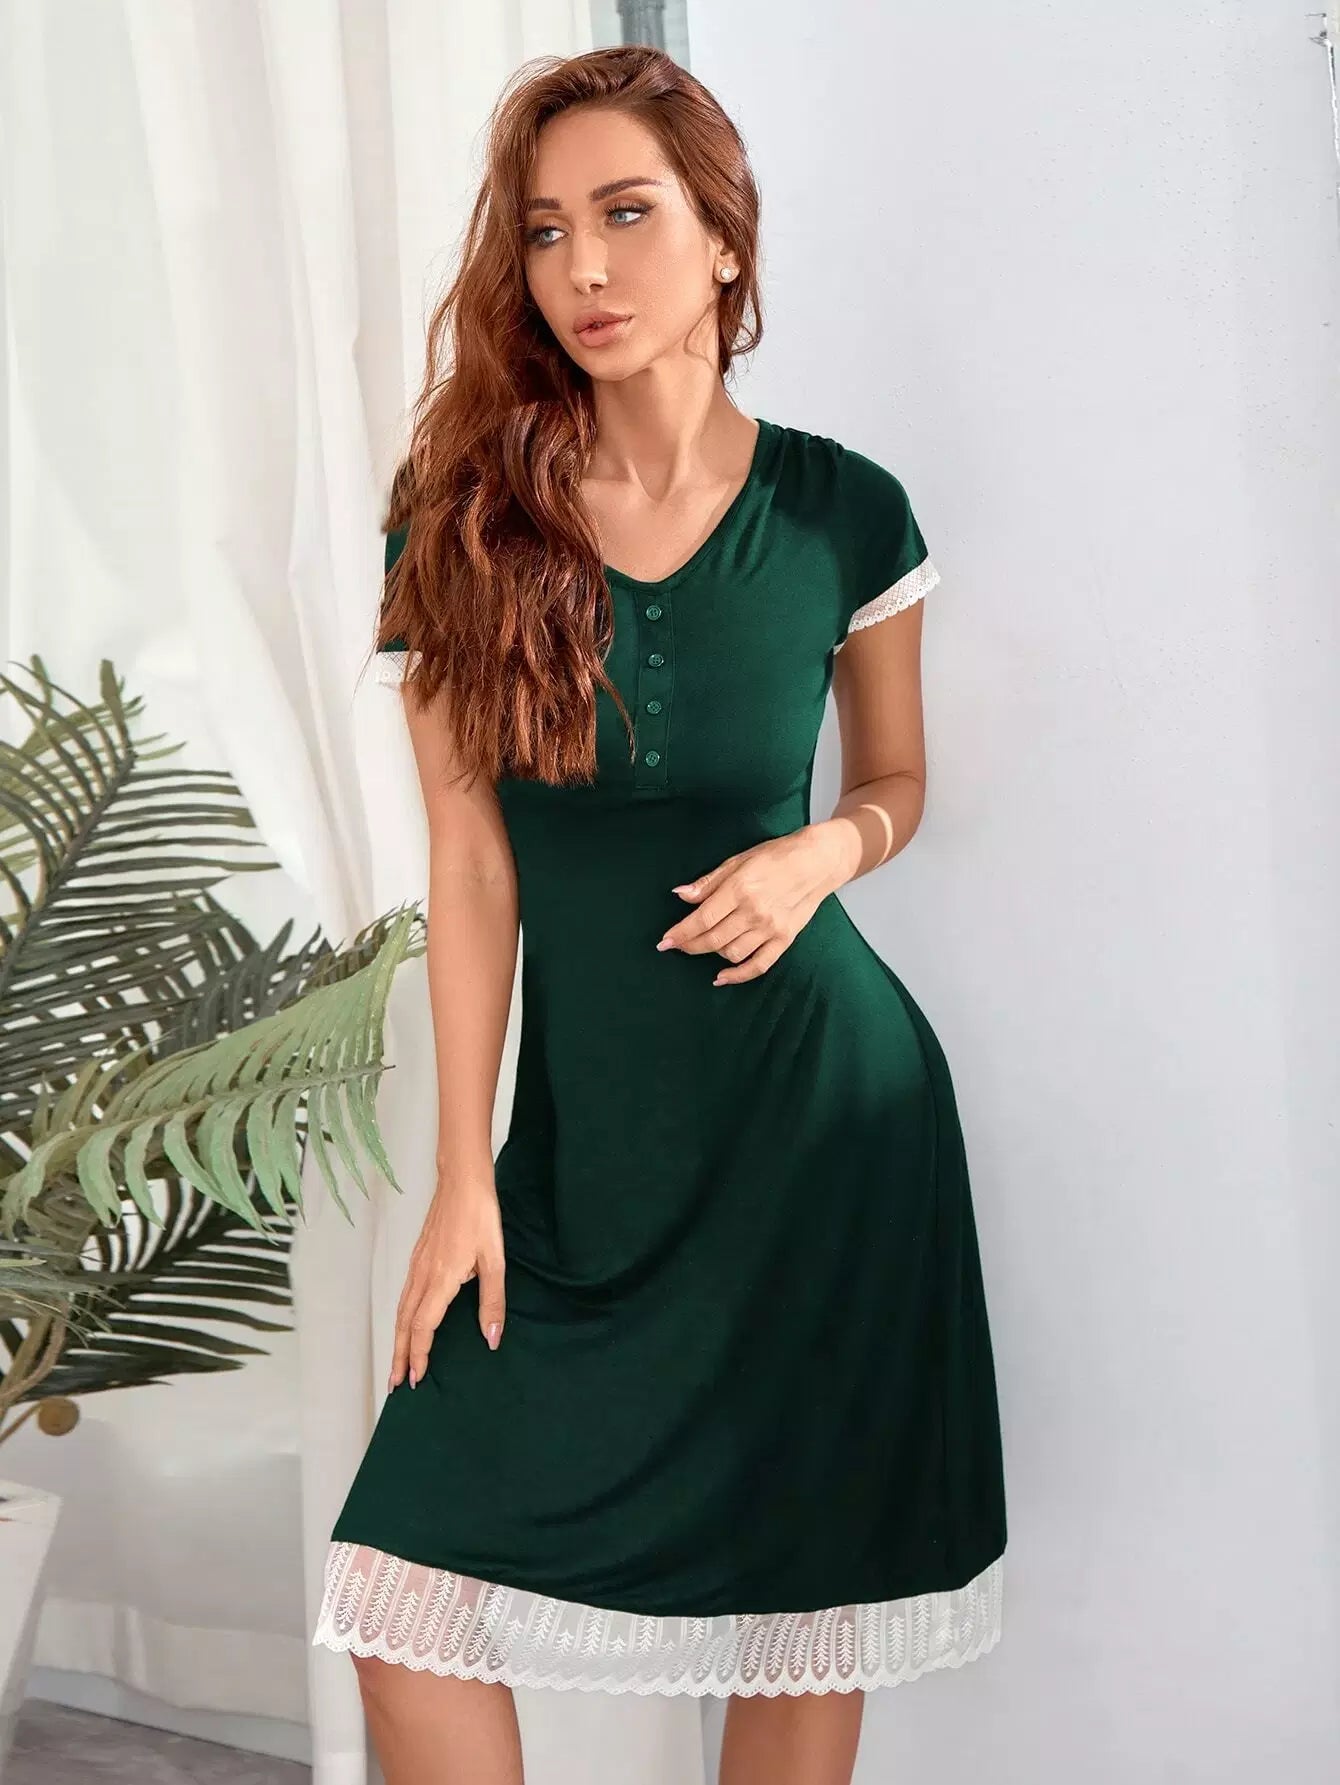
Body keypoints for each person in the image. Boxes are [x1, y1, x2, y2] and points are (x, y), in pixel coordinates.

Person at [311, 42, 1006, 1785]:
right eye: (548, 231)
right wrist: (464, 1174)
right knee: (403, 1595)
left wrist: (821, 853)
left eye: (627, 214)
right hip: (580, 1154)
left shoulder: (844, 511)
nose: (585, 267)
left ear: (723, 237)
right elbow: (474, 866)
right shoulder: (464, 527)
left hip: (824, 1132)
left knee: (799, 1604)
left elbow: (898, 778)